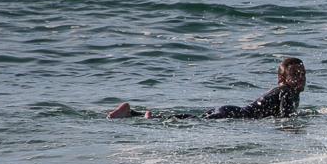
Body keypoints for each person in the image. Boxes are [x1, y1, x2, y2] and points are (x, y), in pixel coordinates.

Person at [107, 56, 307, 120]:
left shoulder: (282, 91)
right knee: (193, 121)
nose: (301, 79)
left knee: (193, 119)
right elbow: (286, 118)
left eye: (303, 74)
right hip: (234, 115)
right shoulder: (287, 92)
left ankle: (133, 113)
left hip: (230, 110)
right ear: (281, 78)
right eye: (295, 75)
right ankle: (148, 118)